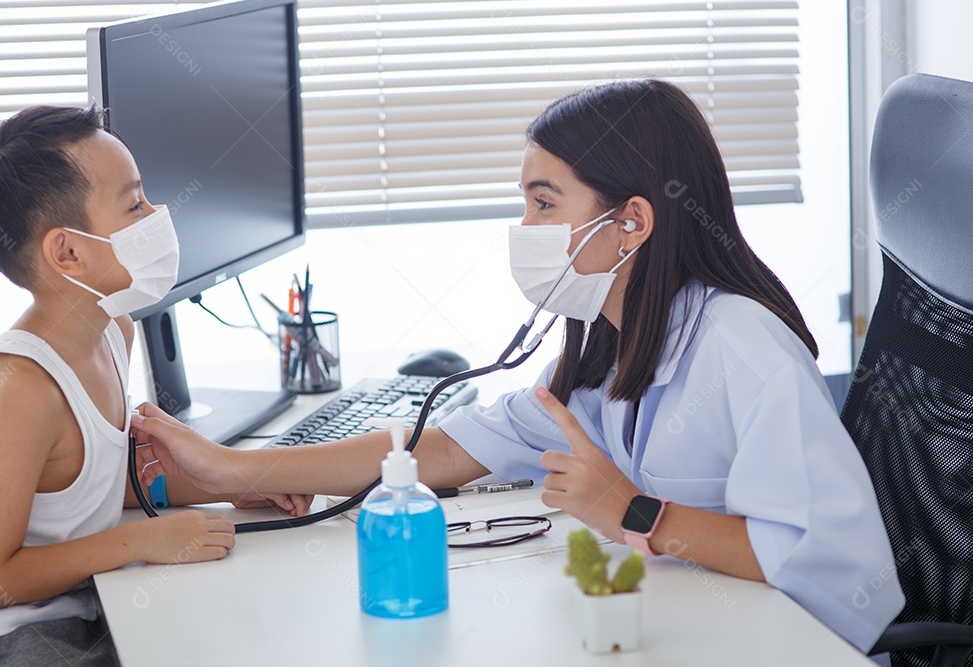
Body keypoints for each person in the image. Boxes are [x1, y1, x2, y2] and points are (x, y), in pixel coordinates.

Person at [131, 79, 905, 654]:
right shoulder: (606, 336)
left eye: (544, 203)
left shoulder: (744, 349)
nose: (526, 227)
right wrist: (236, 473)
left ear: (632, 220)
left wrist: (638, 513)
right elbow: (446, 447)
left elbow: (829, 563)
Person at [0, 105, 306, 667]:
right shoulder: (23, 386)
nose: (158, 214)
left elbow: (93, 488)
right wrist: (144, 541)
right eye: (134, 204)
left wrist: (225, 487)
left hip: (72, 611)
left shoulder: (115, 329)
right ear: (68, 252)